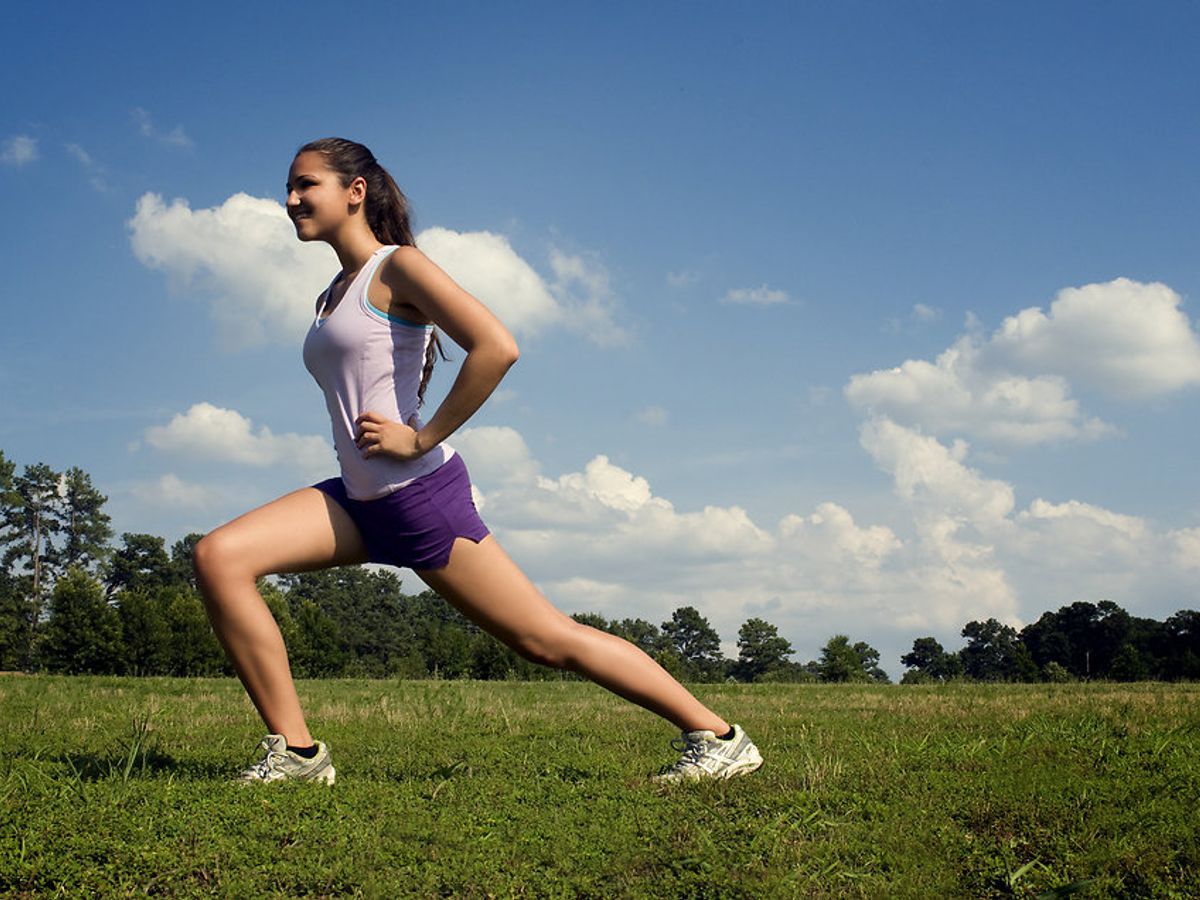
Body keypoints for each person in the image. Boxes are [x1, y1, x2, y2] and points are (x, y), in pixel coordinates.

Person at [193, 137, 762, 785]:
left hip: (417, 496)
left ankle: (718, 737)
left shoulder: (397, 267)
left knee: (546, 640)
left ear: (355, 191)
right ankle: (296, 753)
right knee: (220, 556)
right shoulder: (334, 291)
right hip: (358, 500)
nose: (290, 199)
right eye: (289, 187)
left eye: (306, 184)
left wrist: (420, 436)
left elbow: (496, 345)